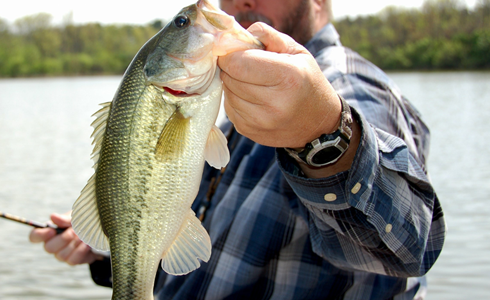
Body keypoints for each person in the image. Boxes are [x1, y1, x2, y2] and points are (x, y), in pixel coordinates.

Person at [30, 0, 446, 298]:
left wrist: (323, 131)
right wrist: (118, 247)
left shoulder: (348, 88)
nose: (243, 1)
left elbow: (411, 245)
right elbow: (178, 224)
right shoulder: (235, 106)